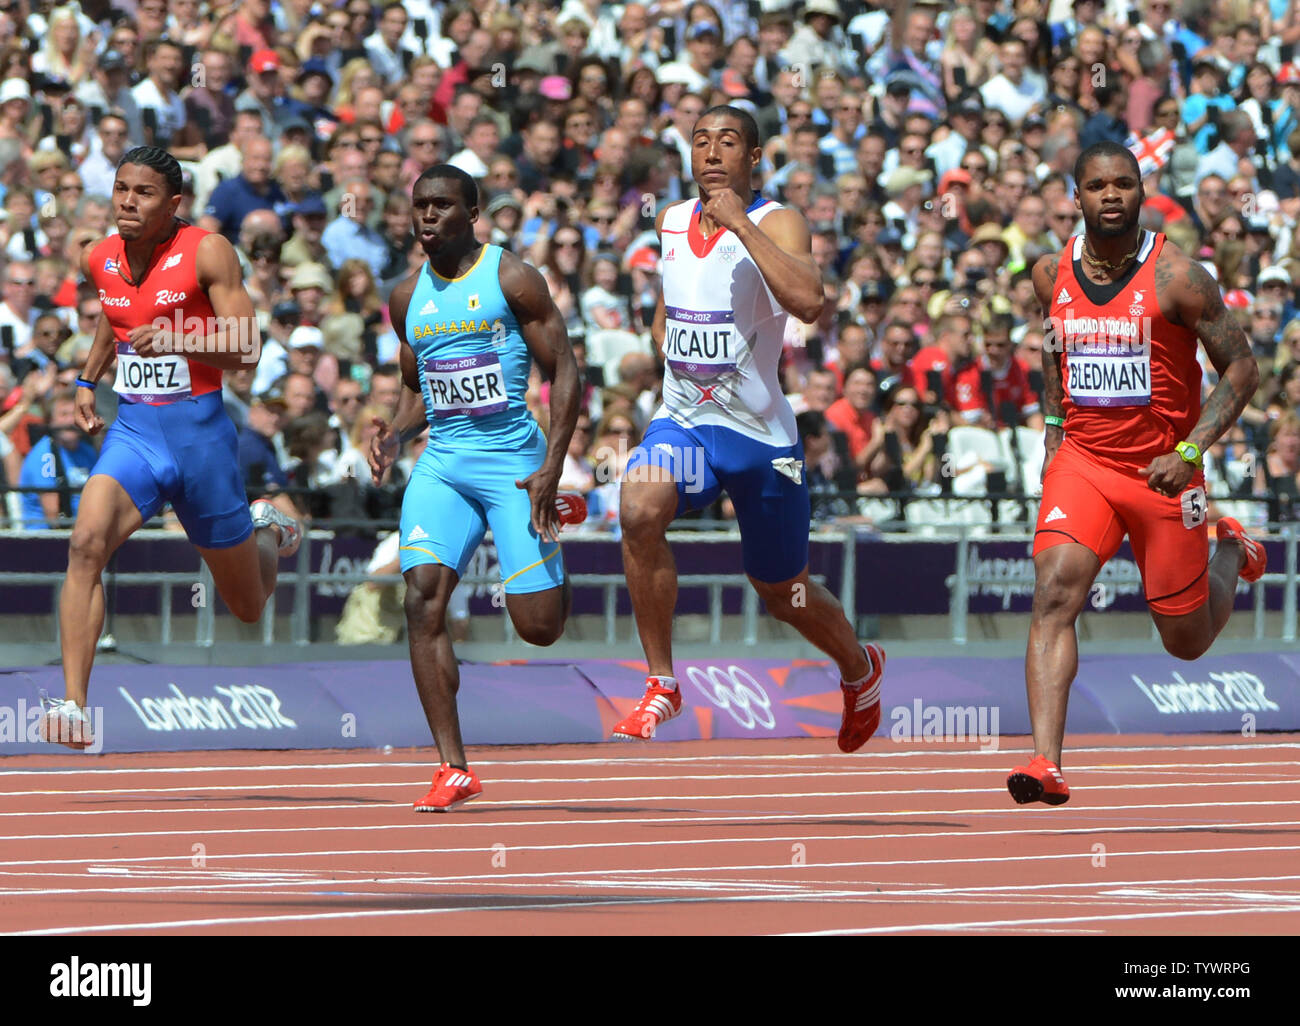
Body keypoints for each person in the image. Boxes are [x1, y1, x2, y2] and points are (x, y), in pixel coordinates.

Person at [613, 106, 885, 750]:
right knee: (638, 507)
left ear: (754, 157)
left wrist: (739, 224)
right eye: (700, 141)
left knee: (781, 592)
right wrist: (681, 355)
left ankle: (858, 668)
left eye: (727, 142)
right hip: (684, 422)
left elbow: (811, 303)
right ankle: (662, 683)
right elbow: (665, 313)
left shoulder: (777, 219)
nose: (710, 153)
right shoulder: (672, 220)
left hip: (760, 438)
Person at [1010, 141, 1264, 806]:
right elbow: (1053, 351)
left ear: (1142, 189)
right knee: (1054, 591)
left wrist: (1188, 454)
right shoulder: (1049, 273)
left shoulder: (1180, 277)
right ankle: (1045, 763)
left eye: (1124, 183)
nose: (1111, 195)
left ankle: (1231, 552)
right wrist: (1055, 434)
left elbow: (1243, 368)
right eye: (1097, 186)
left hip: (1166, 474)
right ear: (1078, 196)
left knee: (1182, 641)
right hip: (1085, 465)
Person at [38, 147, 302, 750]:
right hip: (135, 433)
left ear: (173, 203)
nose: (129, 202)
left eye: (145, 193)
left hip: (202, 441)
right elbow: (116, 310)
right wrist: (87, 377)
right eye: (122, 189)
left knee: (247, 606)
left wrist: (181, 335)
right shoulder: (100, 255)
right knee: (85, 544)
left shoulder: (208, 250)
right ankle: (75, 705)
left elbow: (248, 346)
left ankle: (263, 530)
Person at [367, 163, 585, 812]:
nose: (427, 217)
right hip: (444, 465)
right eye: (419, 207)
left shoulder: (512, 277)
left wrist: (553, 464)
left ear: (473, 213)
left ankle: (549, 547)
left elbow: (565, 370)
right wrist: (396, 437)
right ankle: (451, 766)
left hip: (514, 463)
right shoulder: (406, 298)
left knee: (539, 627)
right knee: (421, 598)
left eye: (441, 206)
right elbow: (417, 388)